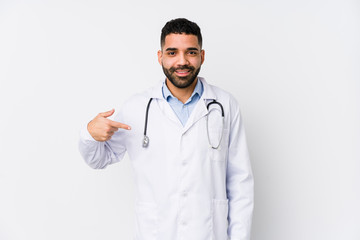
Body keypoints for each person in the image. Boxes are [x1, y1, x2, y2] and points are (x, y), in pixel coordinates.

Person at [79, 18, 254, 240]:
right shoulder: (137, 107)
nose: (182, 61)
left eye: (191, 52)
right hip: (156, 233)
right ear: (160, 57)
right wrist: (89, 135)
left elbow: (240, 183)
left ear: (202, 56)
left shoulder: (225, 105)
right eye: (172, 53)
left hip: (209, 233)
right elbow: (98, 160)